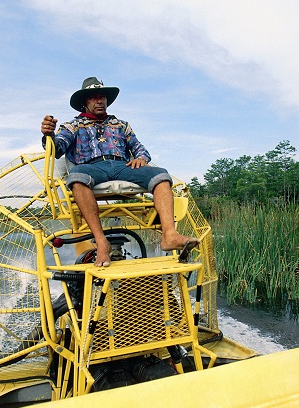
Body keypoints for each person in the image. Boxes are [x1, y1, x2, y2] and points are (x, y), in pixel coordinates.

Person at [41, 77, 199, 267]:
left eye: (102, 97)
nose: (99, 101)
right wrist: (48, 134)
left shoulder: (120, 125)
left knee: (161, 175)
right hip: (91, 167)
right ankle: (101, 243)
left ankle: (169, 235)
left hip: (121, 166)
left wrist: (140, 158)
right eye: (93, 98)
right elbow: (57, 148)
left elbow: (140, 148)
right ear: (85, 103)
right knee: (77, 178)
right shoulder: (73, 126)